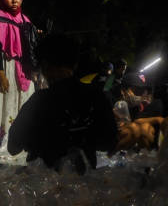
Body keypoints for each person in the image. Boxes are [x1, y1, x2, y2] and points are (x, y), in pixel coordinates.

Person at [7, 34, 118, 173]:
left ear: (45, 66)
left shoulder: (39, 101)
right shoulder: (96, 96)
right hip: (84, 187)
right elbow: (110, 142)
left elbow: (13, 147)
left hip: (42, 186)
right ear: (75, 64)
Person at [0, 0, 38, 143]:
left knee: (24, 106)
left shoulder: (26, 20)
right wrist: (0, 74)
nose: (15, 0)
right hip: (5, 67)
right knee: (4, 104)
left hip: (23, 70)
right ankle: (0, 144)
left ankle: (21, 143)